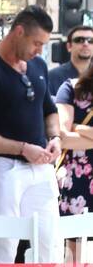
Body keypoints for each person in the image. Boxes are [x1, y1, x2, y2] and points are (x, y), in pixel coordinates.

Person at [0, 6, 62, 264]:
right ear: (19, 32)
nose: (40, 50)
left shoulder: (37, 65)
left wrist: (55, 138)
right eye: (37, 43)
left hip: (41, 167)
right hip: (2, 168)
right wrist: (22, 148)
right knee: (6, 243)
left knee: (50, 239)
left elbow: (49, 109)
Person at [55, 62, 93, 257]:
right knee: (75, 253)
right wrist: (72, 132)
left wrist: (79, 128)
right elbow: (62, 137)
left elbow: (70, 133)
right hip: (77, 181)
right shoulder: (71, 88)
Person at [47, 23, 93, 95]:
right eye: (79, 40)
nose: (86, 44)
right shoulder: (53, 76)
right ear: (69, 46)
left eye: (90, 41)